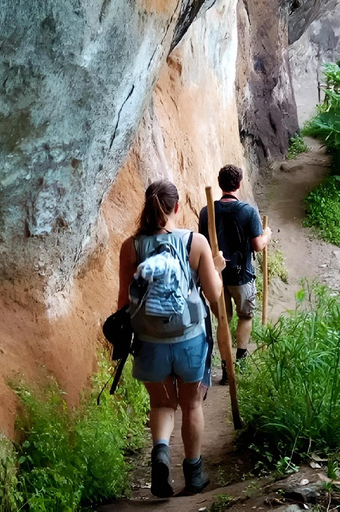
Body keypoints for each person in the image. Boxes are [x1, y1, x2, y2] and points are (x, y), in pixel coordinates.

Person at [118, 180, 226, 497]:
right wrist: (216, 268)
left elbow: (123, 303)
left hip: (150, 343)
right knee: (191, 405)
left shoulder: (131, 247)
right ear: (176, 207)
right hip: (191, 340)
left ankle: (161, 453)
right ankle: (194, 476)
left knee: (162, 404)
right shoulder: (197, 243)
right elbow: (214, 295)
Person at [198, 164, 272, 384]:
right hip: (242, 276)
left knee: (223, 319)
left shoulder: (207, 211)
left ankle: (225, 365)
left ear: (220, 184)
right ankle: (239, 359)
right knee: (245, 316)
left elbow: (203, 242)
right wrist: (266, 234)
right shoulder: (248, 211)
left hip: (216, 276)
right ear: (239, 184)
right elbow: (258, 245)